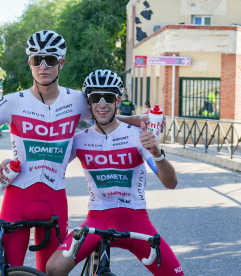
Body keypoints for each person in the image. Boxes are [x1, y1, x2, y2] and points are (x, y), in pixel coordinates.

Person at [0, 30, 148, 273]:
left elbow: (108, 116)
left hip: (54, 201)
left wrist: (139, 120)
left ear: (61, 62)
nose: (43, 66)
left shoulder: (78, 101)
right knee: (10, 271)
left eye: (50, 59)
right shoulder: (12, 102)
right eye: (36, 60)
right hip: (18, 199)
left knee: (51, 272)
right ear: (29, 63)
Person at [45, 70, 182, 276]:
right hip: (97, 219)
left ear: (117, 100)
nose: (102, 104)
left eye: (108, 97)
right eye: (95, 98)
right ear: (88, 103)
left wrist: (157, 153)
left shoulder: (138, 135)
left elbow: (170, 183)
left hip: (136, 219)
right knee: (54, 268)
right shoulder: (80, 140)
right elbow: (47, 164)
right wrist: (10, 163)